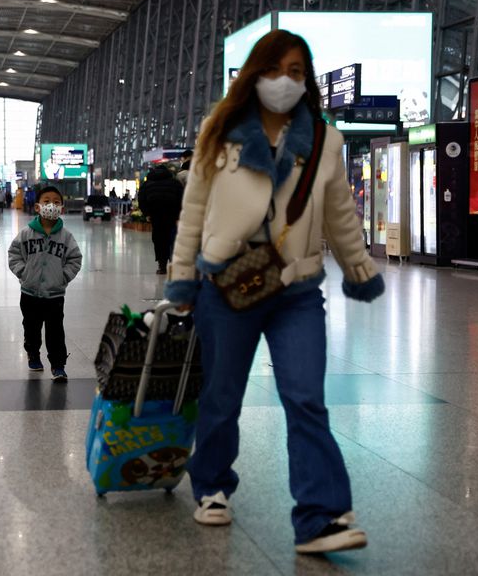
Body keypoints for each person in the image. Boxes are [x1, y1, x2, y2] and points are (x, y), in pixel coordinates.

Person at [164, 30, 385, 554]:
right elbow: (193, 211)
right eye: (274, 69)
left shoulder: (324, 140)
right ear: (253, 74)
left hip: (297, 290)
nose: (284, 81)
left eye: (296, 72)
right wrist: (183, 277)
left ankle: (320, 517)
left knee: (306, 398)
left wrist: (358, 268)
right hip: (227, 286)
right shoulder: (220, 131)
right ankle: (212, 486)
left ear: (306, 81)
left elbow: (340, 214)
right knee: (221, 397)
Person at [7, 186, 82, 382]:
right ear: (37, 207)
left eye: (56, 202)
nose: (51, 205)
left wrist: (63, 277)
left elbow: (75, 259)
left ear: (62, 208)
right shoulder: (26, 233)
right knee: (31, 328)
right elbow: (14, 254)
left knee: (55, 331)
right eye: (47, 201)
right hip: (29, 293)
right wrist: (23, 272)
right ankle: (33, 354)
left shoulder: (66, 237)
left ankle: (58, 365)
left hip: (54, 295)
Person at [137, 164, 184, 275]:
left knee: (158, 239)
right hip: (172, 215)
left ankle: (162, 265)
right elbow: (182, 199)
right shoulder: (175, 183)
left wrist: (147, 213)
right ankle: (173, 263)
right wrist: (179, 214)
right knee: (171, 238)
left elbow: (141, 200)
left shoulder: (147, 184)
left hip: (155, 215)